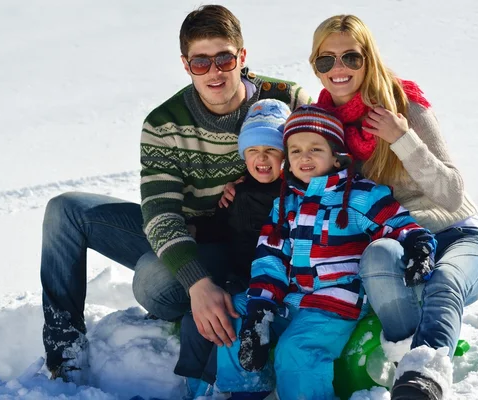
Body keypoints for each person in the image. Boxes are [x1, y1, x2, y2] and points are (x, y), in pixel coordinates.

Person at [40, 4, 310, 383]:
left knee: (154, 281)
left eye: (224, 58)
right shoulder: (163, 123)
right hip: (187, 235)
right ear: (185, 64)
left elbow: (324, 161)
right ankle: (64, 347)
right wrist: (197, 284)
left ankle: (225, 302)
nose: (214, 71)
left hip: (254, 241)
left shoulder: (285, 101)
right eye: (201, 62)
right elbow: (161, 212)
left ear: (242, 57)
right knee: (64, 210)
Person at [308, 15, 478, 400]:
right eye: (326, 60)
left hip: (457, 234)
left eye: (351, 57)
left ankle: (422, 379)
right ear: (315, 66)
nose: (338, 69)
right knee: (377, 255)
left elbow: (452, 194)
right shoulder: (324, 124)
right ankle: (404, 350)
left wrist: (401, 139)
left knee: (445, 281)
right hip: (400, 243)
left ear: (369, 58)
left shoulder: (403, 103)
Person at [216, 105, 437, 400]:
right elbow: (270, 257)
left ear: (336, 156)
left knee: (298, 350)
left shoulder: (359, 194)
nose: (304, 157)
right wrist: (261, 307)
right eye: (294, 151)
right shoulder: (284, 204)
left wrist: (418, 246)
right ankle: (247, 392)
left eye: (314, 149)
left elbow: (398, 222)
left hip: (333, 304)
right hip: (291, 298)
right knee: (234, 311)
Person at [175, 99, 289, 398]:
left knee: (230, 320)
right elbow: (223, 228)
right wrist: (196, 230)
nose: (261, 159)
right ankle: (196, 387)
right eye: (253, 151)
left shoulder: (294, 193)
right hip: (239, 277)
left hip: (274, 287)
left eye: (271, 151)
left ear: (286, 154)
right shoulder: (238, 192)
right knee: (195, 319)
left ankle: (224, 386)